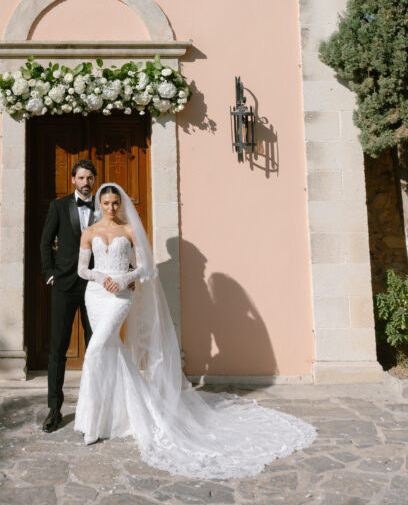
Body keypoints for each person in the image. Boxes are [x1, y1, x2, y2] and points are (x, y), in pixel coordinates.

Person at [74, 182, 318, 479]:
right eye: (107, 203)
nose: (111, 208)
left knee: (96, 348)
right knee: (109, 349)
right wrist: (101, 277)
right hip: (96, 295)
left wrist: (124, 280)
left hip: (121, 296)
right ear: (99, 204)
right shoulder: (89, 232)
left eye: (115, 203)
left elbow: (145, 268)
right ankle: (111, 418)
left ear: (120, 204)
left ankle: (89, 423)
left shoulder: (129, 231)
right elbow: (82, 270)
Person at [39, 159, 96, 433]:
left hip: (93, 288)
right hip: (63, 285)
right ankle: (54, 410)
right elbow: (45, 242)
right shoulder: (59, 206)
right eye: (82, 178)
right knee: (58, 349)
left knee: (95, 348)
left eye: (90, 178)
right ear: (74, 179)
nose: (86, 183)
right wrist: (49, 273)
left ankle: (95, 408)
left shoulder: (103, 206)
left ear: (94, 181)